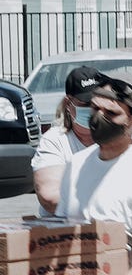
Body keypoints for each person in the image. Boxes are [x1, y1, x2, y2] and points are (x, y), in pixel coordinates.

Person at [55, 76, 132, 275]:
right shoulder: (76, 165)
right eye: (95, 109)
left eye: (111, 113)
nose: (99, 118)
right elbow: (61, 235)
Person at [33, 66, 110, 215]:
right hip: (63, 231)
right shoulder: (55, 140)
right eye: (86, 104)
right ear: (69, 103)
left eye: (98, 103)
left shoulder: (112, 138)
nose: (93, 109)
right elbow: (50, 197)